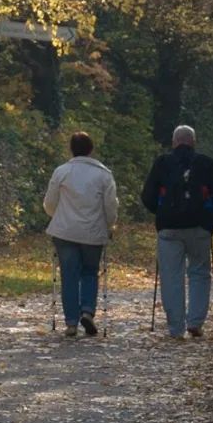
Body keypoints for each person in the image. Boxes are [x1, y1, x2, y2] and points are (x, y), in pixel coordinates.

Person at [141, 125, 213, 339]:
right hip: (199, 227)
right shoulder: (206, 163)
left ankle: (175, 328)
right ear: (193, 142)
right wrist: (211, 220)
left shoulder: (162, 163)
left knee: (171, 277)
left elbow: (147, 196)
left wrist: (160, 213)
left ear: (174, 142)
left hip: (169, 228)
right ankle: (195, 322)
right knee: (199, 273)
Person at [44, 132, 119, 337]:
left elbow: (50, 202)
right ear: (91, 149)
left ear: (71, 149)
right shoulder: (104, 175)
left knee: (69, 275)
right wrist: (110, 225)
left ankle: (70, 322)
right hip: (93, 233)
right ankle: (87, 311)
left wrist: (56, 215)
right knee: (89, 271)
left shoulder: (62, 172)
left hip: (65, 231)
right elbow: (110, 206)